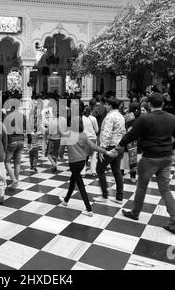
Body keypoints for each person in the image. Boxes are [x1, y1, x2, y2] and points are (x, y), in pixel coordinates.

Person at [114, 92, 175, 235]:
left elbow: (131, 135)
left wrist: (119, 145)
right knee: (165, 189)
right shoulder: (172, 118)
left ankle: (135, 213)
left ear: (148, 104)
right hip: (166, 157)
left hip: (150, 159)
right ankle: (174, 221)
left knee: (141, 186)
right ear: (163, 104)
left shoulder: (145, 119)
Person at [60, 117, 115, 216]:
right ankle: (65, 201)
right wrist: (106, 152)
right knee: (73, 181)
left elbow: (61, 150)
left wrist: (60, 157)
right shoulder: (84, 135)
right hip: (82, 162)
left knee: (80, 185)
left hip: (73, 163)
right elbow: (93, 146)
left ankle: (89, 210)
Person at [94, 98, 126, 204]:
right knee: (117, 171)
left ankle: (104, 195)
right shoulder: (121, 116)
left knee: (100, 169)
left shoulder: (110, 116)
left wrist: (102, 149)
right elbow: (123, 132)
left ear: (110, 106)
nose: (105, 107)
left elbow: (106, 133)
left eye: (107, 105)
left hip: (109, 147)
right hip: (119, 147)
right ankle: (119, 197)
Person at [4, 100, 31, 188]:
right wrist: (29, 142)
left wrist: (4, 143)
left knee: (7, 162)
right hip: (21, 141)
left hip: (11, 141)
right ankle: (16, 182)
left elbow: (4, 131)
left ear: (11, 107)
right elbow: (28, 130)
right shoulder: (23, 116)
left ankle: (14, 180)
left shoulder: (7, 116)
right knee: (17, 163)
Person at [82, 105, 99, 176]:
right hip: (93, 138)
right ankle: (93, 171)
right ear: (91, 111)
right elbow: (97, 130)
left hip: (84, 138)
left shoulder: (80, 118)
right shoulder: (93, 118)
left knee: (83, 156)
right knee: (93, 155)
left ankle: (83, 172)